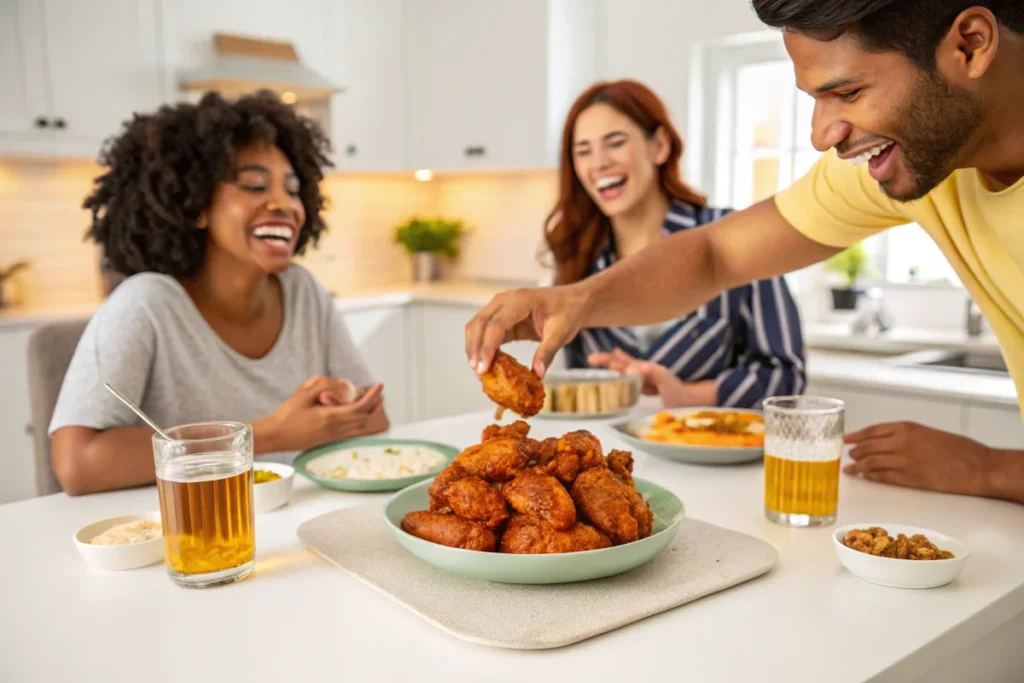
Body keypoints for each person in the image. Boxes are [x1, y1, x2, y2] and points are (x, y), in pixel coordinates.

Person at [465, 0, 1024, 505]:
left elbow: (779, 367)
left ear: (970, 44)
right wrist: (575, 299)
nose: (822, 134)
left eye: (848, 92)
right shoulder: (906, 164)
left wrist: (991, 469)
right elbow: (715, 256)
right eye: (814, 100)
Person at [49, 90, 388, 496]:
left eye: (293, 188)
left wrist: (342, 403)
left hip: (293, 518)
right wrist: (272, 434)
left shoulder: (303, 291)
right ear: (195, 205)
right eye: (254, 185)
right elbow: (76, 464)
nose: (284, 204)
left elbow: (377, 417)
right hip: (188, 531)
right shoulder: (145, 305)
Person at [545, 80, 805, 409]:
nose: (599, 163)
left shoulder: (735, 237)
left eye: (615, 142)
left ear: (660, 147)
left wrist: (688, 396)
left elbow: (786, 375)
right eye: (583, 151)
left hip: (712, 453)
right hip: (613, 456)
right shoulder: (579, 259)